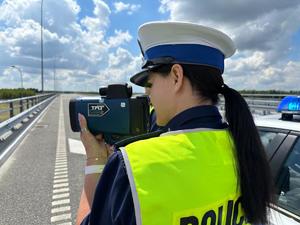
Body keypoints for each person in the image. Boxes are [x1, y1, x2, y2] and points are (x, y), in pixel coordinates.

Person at [76, 21, 274, 225]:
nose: (147, 93)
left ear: (176, 77)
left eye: (149, 83)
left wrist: (95, 160)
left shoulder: (131, 165)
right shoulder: (245, 149)